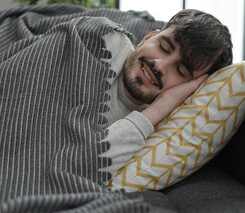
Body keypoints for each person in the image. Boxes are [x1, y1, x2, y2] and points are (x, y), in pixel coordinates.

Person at [99, 9, 233, 180]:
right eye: (163, 47)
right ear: (148, 37)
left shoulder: (162, 129)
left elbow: (84, 167)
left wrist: (161, 107)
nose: (159, 65)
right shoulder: (103, 43)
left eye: (180, 70)